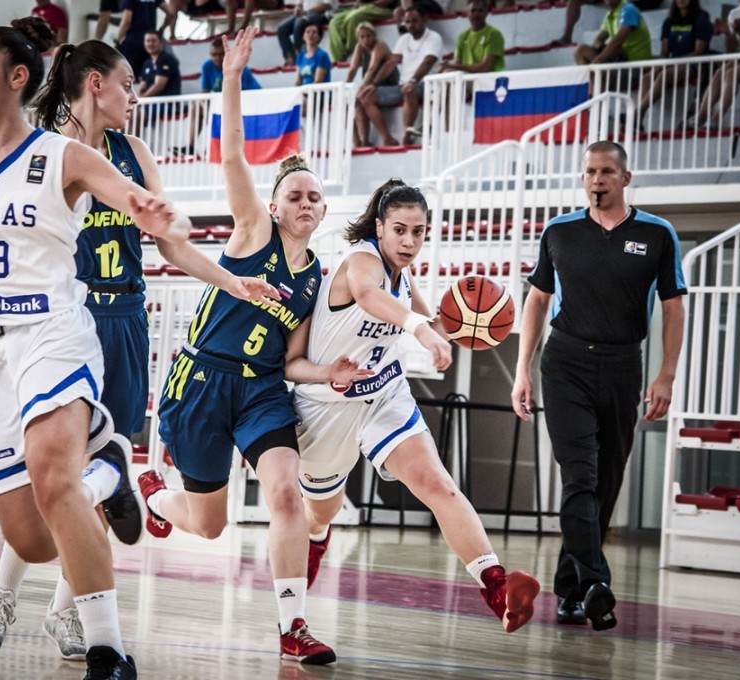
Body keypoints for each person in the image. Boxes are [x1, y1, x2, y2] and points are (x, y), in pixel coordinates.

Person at [0, 16, 199, 678]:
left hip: (63, 328)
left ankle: (102, 646)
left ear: (18, 76)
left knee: (55, 479)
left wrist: (166, 218)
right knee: (36, 531)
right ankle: (106, 473)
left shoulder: (78, 155)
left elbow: (147, 211)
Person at [0, 38, 279, 662]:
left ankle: (67, 611)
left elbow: (171, 244)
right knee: (47, 473)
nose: (135, 95)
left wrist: (233, 281)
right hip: (60, 320)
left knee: (100, 476)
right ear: (96, 83)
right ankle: (0, 596)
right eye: (128, 83)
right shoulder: (45, 151)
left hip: (126, 318)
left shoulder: (134, 153)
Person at [136, 27, 369, 666]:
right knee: (209, 524)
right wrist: (234, 76)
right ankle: (154, 494)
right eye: (295, 194)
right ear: (275, 204)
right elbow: (234, 155)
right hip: (203, 381)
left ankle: (293, 626)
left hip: (263, 390)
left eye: (315, 196)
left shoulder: (317, 276)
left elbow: (292, 360)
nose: (306, 201)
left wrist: (329, 373)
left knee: (286, 494)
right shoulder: (253, 230)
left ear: (323, 211)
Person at [290, 178, 542, 636]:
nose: (409, 241)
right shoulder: (361, 261)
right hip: (327, 405)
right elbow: (370, 297)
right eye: (400, 230)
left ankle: (497, 587)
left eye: (419, 232)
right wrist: (420, 330)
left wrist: (476, 318)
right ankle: (316, 537)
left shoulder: (402, 277)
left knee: (437, 484)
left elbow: (437, 324)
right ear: (380, 228)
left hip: (383, 396)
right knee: (319, 512)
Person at [511, 141, 686, 631]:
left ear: (625, 178)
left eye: (607, 171)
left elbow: (673, 307)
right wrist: (522, 369)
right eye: (590, 171)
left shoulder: (657, 234)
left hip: (624, 366)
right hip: (565, 363)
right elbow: (537, 300)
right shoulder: (559, 231)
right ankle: (595, 584)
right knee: (580, 477)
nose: (597, 180)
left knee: (605, 484)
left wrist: (666, 374)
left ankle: (571, 591)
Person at [354, 6, 443, 146]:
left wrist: (413, 81)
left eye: (414, 21)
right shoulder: (404, 39)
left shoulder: (434, 37)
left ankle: (407, 136)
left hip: (425, 84)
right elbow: (391, 63)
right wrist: (374, 84)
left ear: (424, 19)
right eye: (407, 22)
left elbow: (428, 62)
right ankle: (387, 138)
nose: (410, 25)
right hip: (402, 85)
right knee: (365, 96)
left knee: (409, 90)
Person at [691, 0, 740, 129]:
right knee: (719, 73)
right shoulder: (734, 13)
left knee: (731, 73)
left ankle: (716, 119)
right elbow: (731, 49)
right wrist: (728, 33)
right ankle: (700, 117)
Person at [636, 0, 713, 127]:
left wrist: (673, 63)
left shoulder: (701, 20)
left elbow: (698, 51)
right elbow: (664, 52)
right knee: (646, 77)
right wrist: (663, 64)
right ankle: (638, 120)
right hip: (672, 62)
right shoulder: (669, 21)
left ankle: (639, 111)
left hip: (693, 64)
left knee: (664, 75)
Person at [181, 37, 262, 155]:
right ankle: (191, 147)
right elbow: (205, 91)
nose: (217, 58)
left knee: (217, 111)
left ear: (226, 54)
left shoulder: (237, 66)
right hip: (226, 102)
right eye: (214, 55)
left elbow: (239, 93)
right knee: (197, 109)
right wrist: (203, 106)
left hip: (248, 102)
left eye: (220, 54)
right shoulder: (207, 66)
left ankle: (219, 144)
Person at [346, 21, 399, 147]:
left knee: (361, 97)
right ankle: (360, 141)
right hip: (370, 83)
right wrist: (345, 88)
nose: (365, 39)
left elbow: (372, 69)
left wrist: (361, 87)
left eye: (368, 36)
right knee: (349, 101)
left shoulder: (380, 45)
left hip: (386, 83)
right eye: (362, 37)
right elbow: (352, 69)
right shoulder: (359, 47)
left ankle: (383, 138)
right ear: (358, 39)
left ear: (374, 35)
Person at [575, 0, 652, 66]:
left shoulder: (628, 9)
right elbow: (598, 40)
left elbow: (617, 42)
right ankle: (590, 76)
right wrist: (602, 47)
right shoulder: (609, 15)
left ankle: (591, 75)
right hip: (621, 62)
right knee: (581, 50)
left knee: (601, 68)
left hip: (636, 65)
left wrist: (595, 63)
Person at [440, 0, 506, 74]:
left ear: (486, 13)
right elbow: (457, 64)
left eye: (480, 11)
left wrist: (453, 66)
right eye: (473, 11)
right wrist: (450, 68)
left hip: (491, 78)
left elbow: (485, 68)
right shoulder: (463, 36)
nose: (476, 14)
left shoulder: (494, 34)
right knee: (446, 73)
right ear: (467, 14)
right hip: (468, 78)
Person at [328, 0, 398, 63]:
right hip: (364, 8)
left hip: (383, 8)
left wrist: (369, 5)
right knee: (334, 22)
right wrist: (357, 5)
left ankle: (353, 51)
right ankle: (339, 59)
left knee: (354, 17)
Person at [116, 0, 173, 78]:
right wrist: (161, 30)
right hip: (150, 43)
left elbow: (126, 21)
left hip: (133, 42)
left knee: (129, 76)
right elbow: (170, 13)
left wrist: (117, 41)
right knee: (147, 77)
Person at [277, 0, 337, 66]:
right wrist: (298, 9)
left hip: (322, 14)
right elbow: (299, 4)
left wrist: (308, 11)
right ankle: (290, 58)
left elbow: (328, 5)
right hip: (305, 14)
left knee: (299, 23)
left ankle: (301, 57)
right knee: (281, 29)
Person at [139, 30, 181, 97]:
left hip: (167, 102)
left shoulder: (166, 59)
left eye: (154, 41)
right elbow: (142, 87)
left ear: (161, 42)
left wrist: (143, 99)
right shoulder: (147, 63)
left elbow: (159, 86)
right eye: (148, 41)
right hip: (150, 102)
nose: (150, 44)